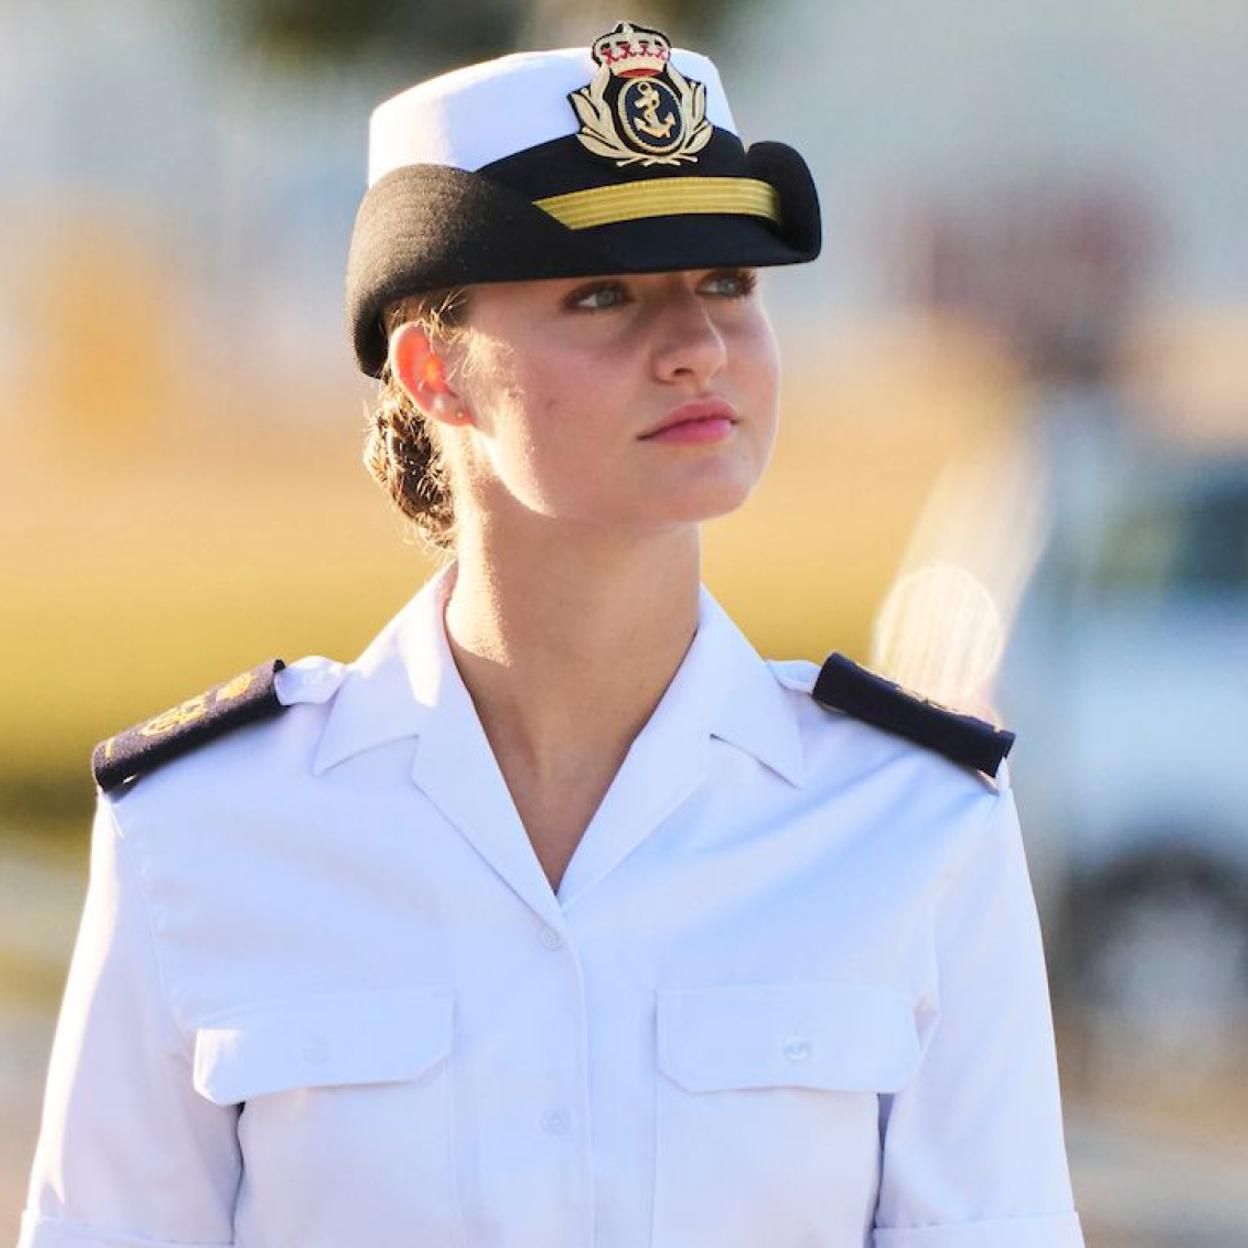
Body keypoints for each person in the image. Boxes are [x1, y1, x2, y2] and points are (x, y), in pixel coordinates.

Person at [18, 21, 1084, 1248]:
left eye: (729, 284)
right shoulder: (200, 834)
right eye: (603, 295)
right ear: (434, 370)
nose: (696, 346)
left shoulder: (916, 824)